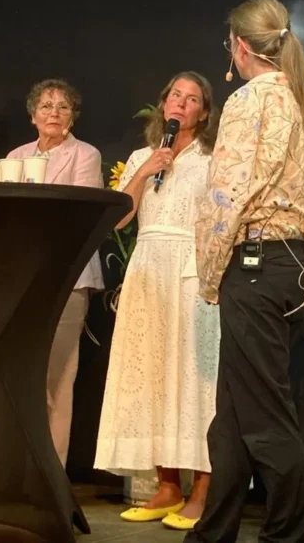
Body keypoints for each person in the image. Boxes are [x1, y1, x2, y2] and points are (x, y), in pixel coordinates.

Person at [186, 0, 304, 543]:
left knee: (266, 419)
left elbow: (226, 196)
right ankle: (212, 534)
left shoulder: (250, 99)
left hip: (256, 267)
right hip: (296, 266)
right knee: (232, 419)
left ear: (239, 46)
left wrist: (210, 274)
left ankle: (286, 536)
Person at [94, 71, 220, 531]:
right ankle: (167, 486)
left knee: (194, 379)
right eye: (175, 96)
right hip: (148, 269)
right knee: (152, 374)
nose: (181, 104)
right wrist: (145, 172)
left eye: (192, 99)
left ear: (203, 112)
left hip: (191, 270)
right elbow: (118, 220)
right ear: (163, 103)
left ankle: (203, 490)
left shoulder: (213, 157)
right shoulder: (141, 157)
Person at [6, 78, 104, 468]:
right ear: (33, 116)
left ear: (72, 116)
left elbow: (82, 214)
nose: (54, 113)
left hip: (68, 275)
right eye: (46, 106)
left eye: (63, 106)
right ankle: (20, 466)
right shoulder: (16, 157)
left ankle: (51, 471)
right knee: (23, 375)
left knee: (59, 379)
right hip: (22, 276)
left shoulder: (85, 154)